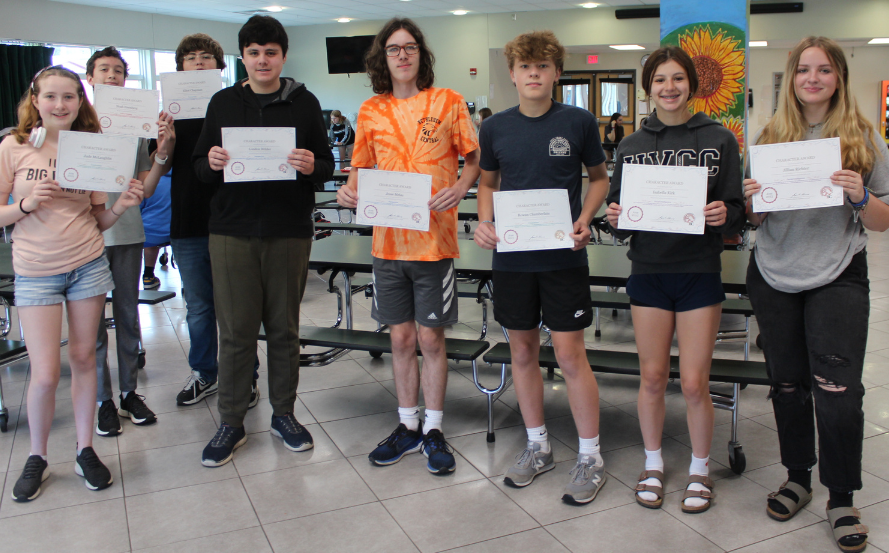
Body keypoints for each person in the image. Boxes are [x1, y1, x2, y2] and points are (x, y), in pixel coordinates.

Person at [743, 36, 889, 552]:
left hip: (837, 274)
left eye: (824, 70)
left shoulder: (863, 138)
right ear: (792, 77)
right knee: (787, 385)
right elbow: (754, 219)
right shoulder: (770, 136)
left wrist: (861, 194)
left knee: (839, 392)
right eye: (804, 69)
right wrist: (752, 203)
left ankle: (842, 495)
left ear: (838, 78)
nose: (812, 78)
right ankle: (799, 477)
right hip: (775, 274)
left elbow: (883, 220)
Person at [337, 17, 480, 475]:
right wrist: (348, 190)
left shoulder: (448, 101)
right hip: (388, 244)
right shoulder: (370, 110)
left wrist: (460, 188)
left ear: (422, 55)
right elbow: (359, 167)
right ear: (383, 58)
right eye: (394, 49)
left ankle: (434, 429)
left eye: (410, 47)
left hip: (434, 243)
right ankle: (407, 425)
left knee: (430, 338)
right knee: (400, 338)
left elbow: (473, 158)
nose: (402, 55)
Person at [604, 46, 745, 514]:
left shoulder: (720, 139)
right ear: (648, 89)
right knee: (652, 376)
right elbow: (621, 219)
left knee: (693, 382)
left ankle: (700, 469)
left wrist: (727, 213)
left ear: (692, 84)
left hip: (699, 272)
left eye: (678, 79)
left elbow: (737, 214)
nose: (669, 87)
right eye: (660, 80)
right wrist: (615, 215)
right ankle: (652, 463)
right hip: (648, 272)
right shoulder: (630, 146)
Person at [473, 30, 610, 505]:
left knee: (571, 357)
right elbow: (487, 182)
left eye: (543, 66)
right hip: (511, 258)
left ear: (556, 72)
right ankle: (538, 447)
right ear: (512, 74)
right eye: (525, 67)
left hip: (562, 257)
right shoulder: (495, 128)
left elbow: (598, 179)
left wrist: (585, 217)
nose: (534, 73)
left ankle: (591, 456)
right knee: (523, 354)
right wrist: (484, 221)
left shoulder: (578, 121)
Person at [193, 15, 334, 467]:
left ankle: (284, 414)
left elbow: (328, 167)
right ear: (243, 58)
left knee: (284, 330)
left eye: (270, 52)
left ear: (283, 56)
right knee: (234, 333)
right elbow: (198, 168)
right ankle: (231, 421)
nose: (262, 60)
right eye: (253, 53)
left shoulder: (304, 102)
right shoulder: (222, 103)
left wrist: (312, 164)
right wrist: (211, 161)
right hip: (230, 232)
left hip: (288, 230)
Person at [0, 66, 144, 501]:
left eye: (69, 97)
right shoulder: (14, 146)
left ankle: (85, 449)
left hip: (86, 265)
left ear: (80, 102)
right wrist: (25, 203)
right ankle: (38, 457)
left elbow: (98, 219)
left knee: (84, 359)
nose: (60, 105)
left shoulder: (90, 148)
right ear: (35, 100)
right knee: (44, 374)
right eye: (51, 97)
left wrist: (121, 206)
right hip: (36, 271)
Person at [85, 47, 162, 437]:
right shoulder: (74, 124)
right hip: (85, 237)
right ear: (91, 79)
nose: (112, 76)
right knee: (93, 325)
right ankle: (103, 401)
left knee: (129, 316)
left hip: (128, 231)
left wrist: (162, 154)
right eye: (105, 70)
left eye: (118, 71)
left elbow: (145, 189)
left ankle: (129, 392)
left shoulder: (136, 126)